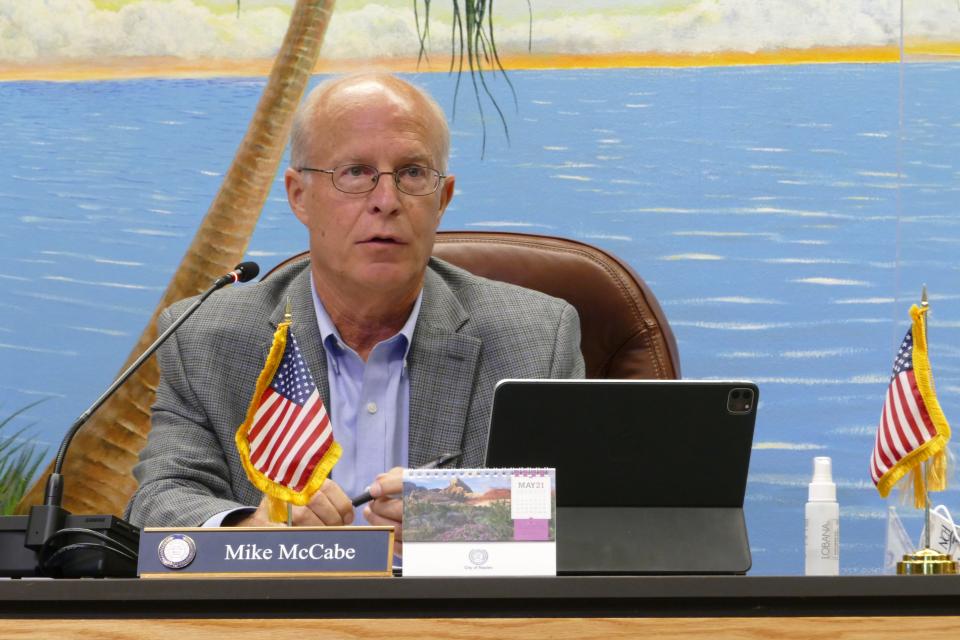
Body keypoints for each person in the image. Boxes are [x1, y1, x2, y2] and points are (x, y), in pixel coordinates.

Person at [126, 73, 584, 547]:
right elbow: (159, 498)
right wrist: (251, 530)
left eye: (412, 173)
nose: (386, 201)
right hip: (281, 613)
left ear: (442, 199)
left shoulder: (536, 338)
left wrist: (450, 519)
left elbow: (581, 512)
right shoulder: (207, 335)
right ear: (299, 196)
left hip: (453, 615)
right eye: (356, 173)